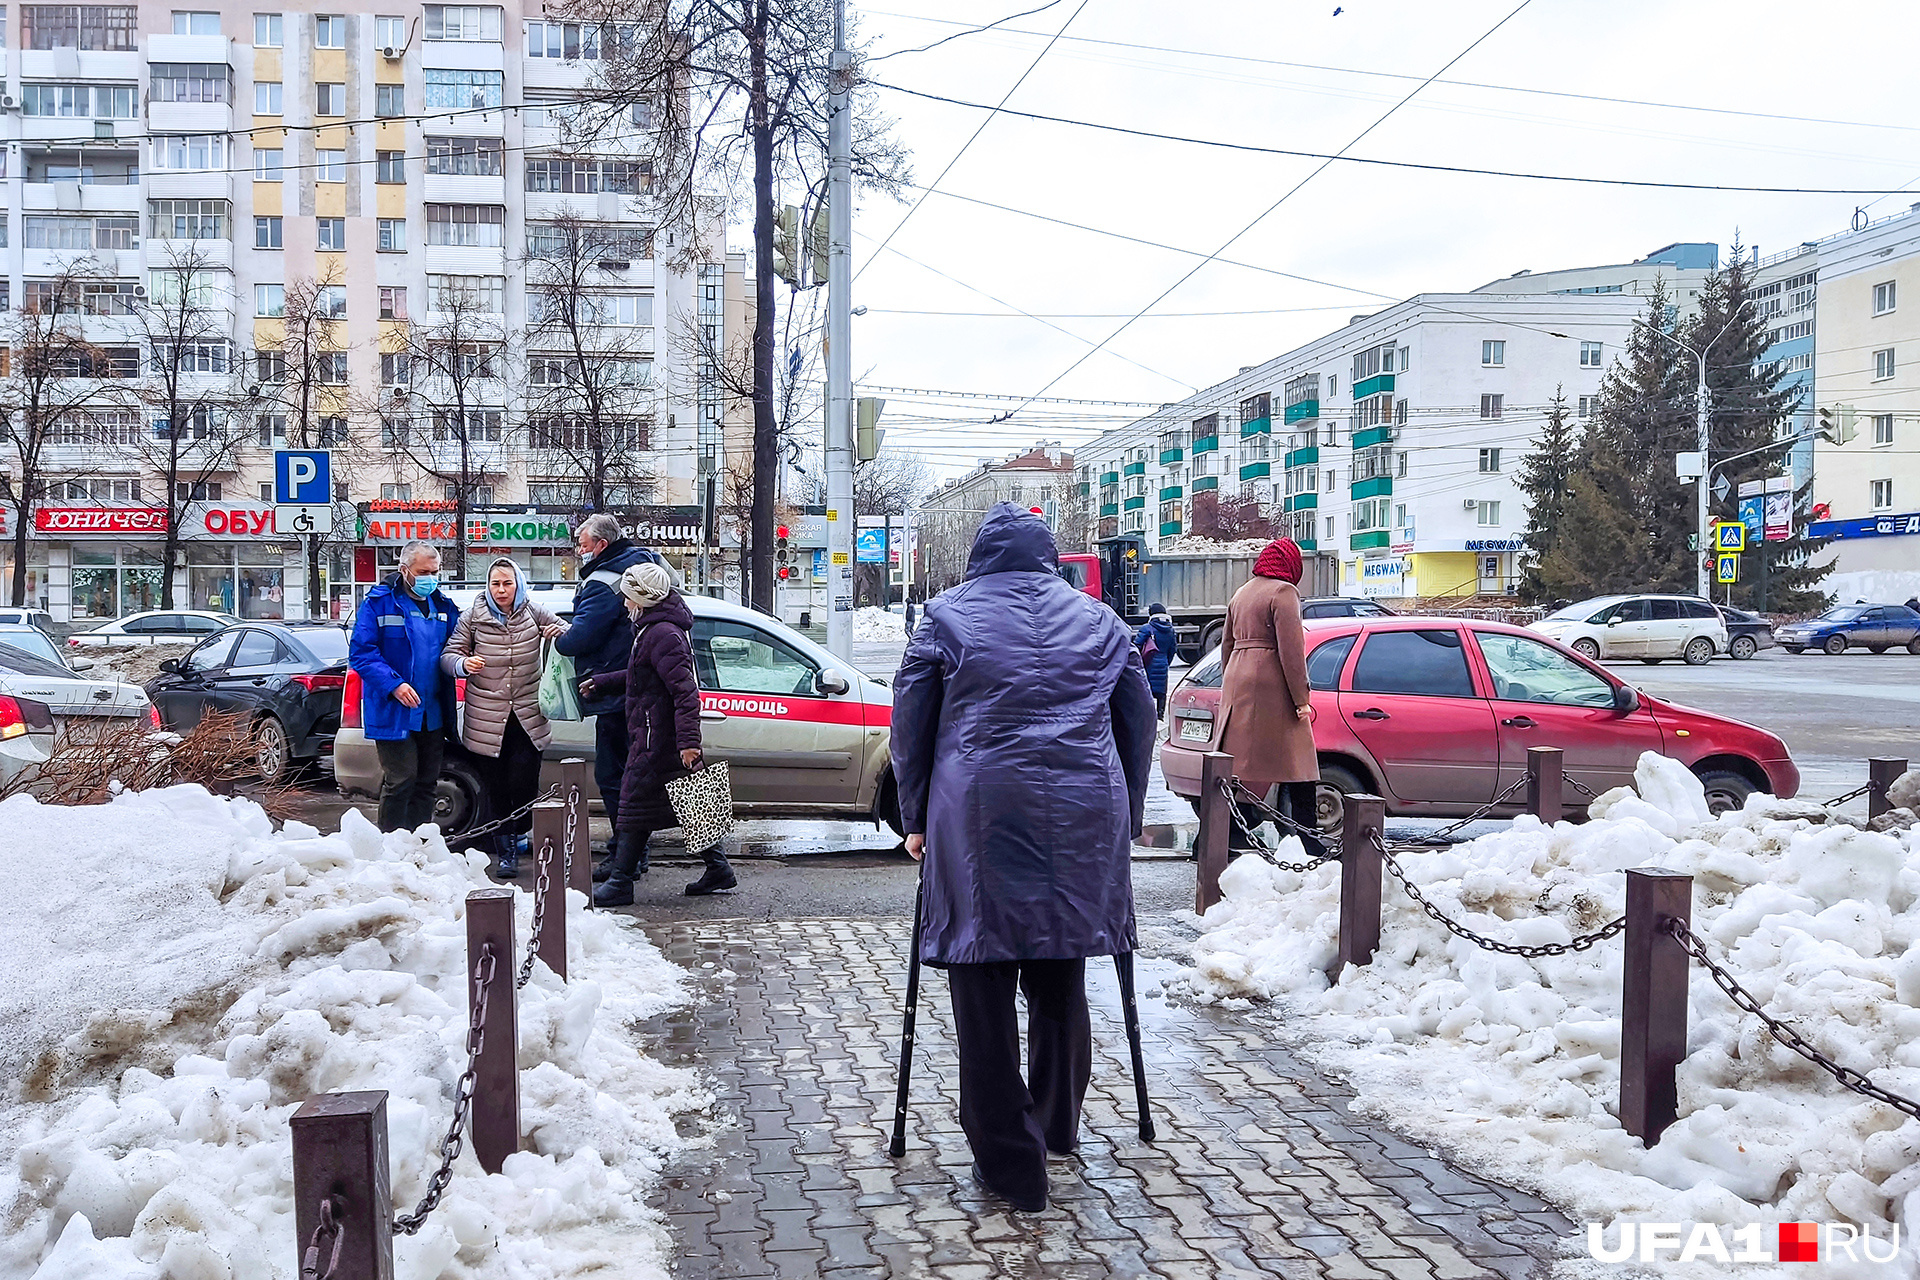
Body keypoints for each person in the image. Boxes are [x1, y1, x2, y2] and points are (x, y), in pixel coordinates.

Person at [891, 503, 1157, 1215]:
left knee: (981, 983)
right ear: (1048, 555)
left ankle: (1013, 1167)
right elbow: (1138, 721)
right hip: (1081, 815)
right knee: (1060, 969)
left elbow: (910, 726)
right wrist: (1126, 810)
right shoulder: (1101, 620)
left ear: (980, 554)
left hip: (979, 811)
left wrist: (914, 817)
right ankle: (1056, 1125)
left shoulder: (946, 617)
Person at [581, 562, 723, 905]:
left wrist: (689, 743)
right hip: (657, 733)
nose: (625, 604)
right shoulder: (655, 629)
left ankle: (620, 883)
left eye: (628, 598)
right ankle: (719, 869)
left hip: (659, 737)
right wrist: (602, 682)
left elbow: (686, 693)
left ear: (642, 599)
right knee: (691, 803)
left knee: (632, 805)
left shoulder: (662, 633)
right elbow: (640, 674)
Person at [441, 558, 568, 878]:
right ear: (488, 586)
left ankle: (519, 830)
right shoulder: (472, 618)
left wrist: (558, 633)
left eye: (507, 583)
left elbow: (571, 633)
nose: (501, 590)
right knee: (496, 787)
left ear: (518, 584)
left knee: (524, 781)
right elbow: (448, 656)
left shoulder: (533, 611)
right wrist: (463, 664)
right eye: (495, 584)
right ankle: (506, 849)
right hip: (486, 718)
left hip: (527, 715)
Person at [553, 514, 664, 850]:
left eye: (583, 545)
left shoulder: (604, 583)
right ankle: (629, 858)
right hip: (633, 697)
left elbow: (580, 638)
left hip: (625, 701)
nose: (627, 606)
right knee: (644, 781)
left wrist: (561, 639)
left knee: (620, 778)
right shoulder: (646, 567)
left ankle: (630, 857)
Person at [1216, 537, 1326, 858]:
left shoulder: (1242, 593)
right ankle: (1310, 838)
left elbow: (1227, 645)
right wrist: (1301, 698)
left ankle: (1220, 835)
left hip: (1239, 680)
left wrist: (1231, 683)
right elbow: (1292, 652)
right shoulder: (1283, 592)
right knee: (1299, 761)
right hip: (1272, 683)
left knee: (1237, 765)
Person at [350, 540, 461, 833]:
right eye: (424, 571)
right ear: (404, 570)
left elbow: (458, 646)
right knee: (401, 778)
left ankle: (418, 842)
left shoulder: (444, 606)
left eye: (435, 572)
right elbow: (362, 653)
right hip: (393, 709)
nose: (431, 578)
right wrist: (394, 684)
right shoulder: (379, 603)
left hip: (432, 710)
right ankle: (390, 844)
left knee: (427, 782)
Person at [1133, 602, 1177, 718]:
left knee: (1147, 689)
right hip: (1163, 662)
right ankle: (1160, 714)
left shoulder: (1147, 628)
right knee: (1162, 691)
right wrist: (1167, 661)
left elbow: (1137, 645)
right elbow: (1173, 649)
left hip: (1148, 662)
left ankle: (1148, 715)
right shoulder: (1170, 630)